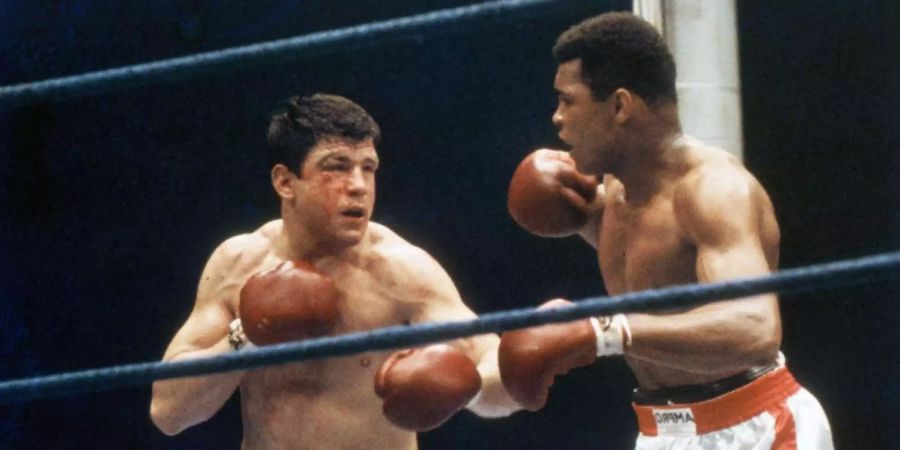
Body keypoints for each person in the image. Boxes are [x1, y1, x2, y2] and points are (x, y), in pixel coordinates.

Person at [499, 12, 834, 449]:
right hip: (663, 430)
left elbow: (754, 327)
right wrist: (556, 205)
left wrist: (602, 331)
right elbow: (647, 265)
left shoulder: (712, 190)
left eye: (568, 100)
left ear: (619, 106)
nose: (557, 118)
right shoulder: (611, 194)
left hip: (757, 427)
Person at [150, 93, 518, 449]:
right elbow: (168, 412)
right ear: (284, 181)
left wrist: (465, 387)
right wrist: (246, 334)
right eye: (336, 166)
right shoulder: (239, 264)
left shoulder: (401, 271)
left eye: (368, 169)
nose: (358, 186)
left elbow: (497, 375)